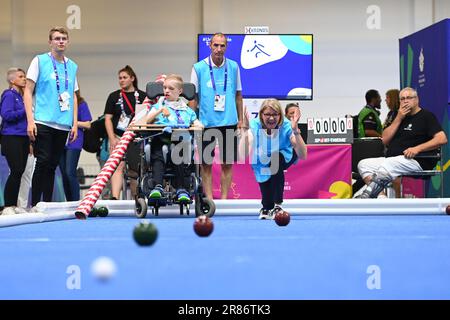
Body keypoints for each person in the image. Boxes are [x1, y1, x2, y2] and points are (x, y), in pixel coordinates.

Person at [357, 87, 447, 198]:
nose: (405, 101)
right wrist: (399, 118)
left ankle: (368, 195)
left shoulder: (426, 116)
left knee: (390, 164)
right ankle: (382, 199)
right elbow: (384, 139)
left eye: (409, 98)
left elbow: (442, 139)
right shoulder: (397, 116)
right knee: (364, 164)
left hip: (417, 160)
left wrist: (417, 149)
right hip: (393, 160)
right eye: (402, 99)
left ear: (416, 99)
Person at [23, 26, 79, 207]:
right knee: (43, 161)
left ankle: (47, 205)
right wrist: (30, 121)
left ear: (68, 42)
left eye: (63, 38)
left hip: (63, 124)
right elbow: (28, 90)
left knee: (52, 166)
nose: (60, 41)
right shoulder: (39, 61)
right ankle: (35, 204)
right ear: (50, 42)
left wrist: (75, 123)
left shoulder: (72, 66)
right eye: (57, 38)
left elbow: (74, 96)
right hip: (43, 121)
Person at [190, 32, 244, 200]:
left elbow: (238, 95)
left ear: (226, 47)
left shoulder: (234, 67)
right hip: (206, 123)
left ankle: (224, 200)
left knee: (227, 164)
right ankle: (209, 200)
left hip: (229, 122)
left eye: (222, 45)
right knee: (205, 164)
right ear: (210, 46)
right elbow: (193, 97)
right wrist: (193, 120)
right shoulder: (198, 68)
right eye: (216, 45)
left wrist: (241, 120)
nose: (219, 49)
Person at [239, 99, 307, 219]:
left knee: (275, 159)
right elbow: (243, 154)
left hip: (285, 155)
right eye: (268, 114)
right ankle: (268, 206)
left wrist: (296, 131)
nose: (271, 118)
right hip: (262, 159)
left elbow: (303, 155)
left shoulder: (285, 125)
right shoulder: (255, 125)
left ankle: (277, 205)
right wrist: (244, 130)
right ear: (261, 115)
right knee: (267, 202)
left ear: (280, 115)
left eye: (275, 114)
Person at [144, 74, 203, 202]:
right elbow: (147, 121)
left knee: (180, 151)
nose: (166, 91)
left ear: (180, 91)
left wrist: (198, 125)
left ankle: (182, 189)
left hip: (179, 140)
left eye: (170, 88)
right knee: (157, 151)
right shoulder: (158, 106)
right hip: (160, 137)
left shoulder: (186, 110)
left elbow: (196, 122)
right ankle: (158, 187)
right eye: (165, 88)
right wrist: (160, 111)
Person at [104, 65, 147, 200]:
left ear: (132, 78)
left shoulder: (143, 96)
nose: (121, 80)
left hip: (136, 138)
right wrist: (112, 138)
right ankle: (115, 197)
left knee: (135, 169)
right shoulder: (113, 96)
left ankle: (136, 198)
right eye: (120, 78)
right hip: (118, 137)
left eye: (124, 77)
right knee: (117, 165)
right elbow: (108, 119)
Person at [0, 68, 29, 215]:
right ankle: (8, 206)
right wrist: (25, 109)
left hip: (23, 137)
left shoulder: (23, 97)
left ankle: (15, 204)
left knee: (20, 172)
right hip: (11, 137)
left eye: (24, 76)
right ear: (12, 80)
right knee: (16, 170)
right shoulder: (9, 95)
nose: (24, 79)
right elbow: (6, 114)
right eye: (21, 76)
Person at [59, 90, 92, 201]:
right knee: (63, 173)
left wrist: (72, 122)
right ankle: (68, 201)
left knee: (70, 172)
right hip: (61, 140)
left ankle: (75, 202)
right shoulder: (61, 102)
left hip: (74, 141)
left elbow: (87, 124)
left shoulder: (81, 103)